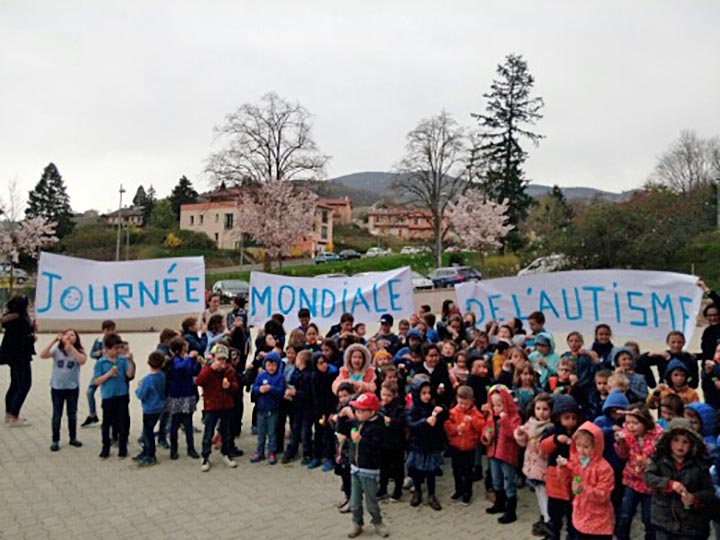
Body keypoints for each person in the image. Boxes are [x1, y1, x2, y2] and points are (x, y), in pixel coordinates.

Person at [644, 418, 713, 540]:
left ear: (692, 444)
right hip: (664, 520)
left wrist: (694, 499)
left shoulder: (699, 465)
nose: (680, 446)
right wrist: (669, 484)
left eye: (685, 442)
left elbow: (709, 492)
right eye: (676, 440)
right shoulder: (659, 460)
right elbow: (648, 477)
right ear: (668, 441)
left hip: (691, 525)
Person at [556, 422, 616, 540]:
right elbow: (566, 479)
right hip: (580, 514)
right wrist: (562, 467)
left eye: (586, 447)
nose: (581, 450)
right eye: (578, 445)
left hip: (599, 520)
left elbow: (604, 495)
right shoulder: (576, 461)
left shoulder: (604, 468)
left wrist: (584, 488)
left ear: (596, 446)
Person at [614, 404, 663, 540]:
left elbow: (662, 459)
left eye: (635, 423)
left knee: (648, 518)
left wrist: (648, 464)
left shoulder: (658, 436)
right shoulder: (627, 435)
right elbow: (623, 456)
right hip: (632, 480)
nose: (631, 426)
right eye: (628, 422)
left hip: (649, 484)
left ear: (645, 422)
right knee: (625, 514)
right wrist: (621, 443)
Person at [343, 392, 389, 539]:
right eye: (357, 410)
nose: (358, 413)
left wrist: (361, 439)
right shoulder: (358, 421)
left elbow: (377, 445)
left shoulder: (378, 426)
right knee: (355, 502)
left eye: (362, 411)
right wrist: (340, 416)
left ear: (372, 412)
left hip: (369, 470)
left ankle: (378, 522)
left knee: (371, 502)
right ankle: (357, 523)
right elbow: (343, 426)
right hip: (355, 468)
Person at [540, 394, 581, 540]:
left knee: (572, 510)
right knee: (555, 510)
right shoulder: (552, 431)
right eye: (567, 418)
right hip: (555, 477)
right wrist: (556, 440)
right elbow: (543, 448)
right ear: (558, 417)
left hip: (573, 476)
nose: (571, 422)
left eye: (574, 418)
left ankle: (572, 534)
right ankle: (553, 533)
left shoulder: (580, 432)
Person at [39, 330, 87, 451]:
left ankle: (73, 438)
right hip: (57, 388)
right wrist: (54, 341)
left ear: (76, 338)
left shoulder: (78, 351)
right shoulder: (57, 351)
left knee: (72, 414)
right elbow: (43, 355)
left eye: (72, 335)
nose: (69, 336)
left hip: (72, 388)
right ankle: (55, 440)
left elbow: (82, 361)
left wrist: (71, 348)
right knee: (57, 414)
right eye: (67, 334)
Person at [514, 393, 554, 537]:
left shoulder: (549, 427)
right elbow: (523, 442)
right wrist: (519, 433)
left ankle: (549, 522)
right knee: (538, 492)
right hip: (532, 465)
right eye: (538, 409)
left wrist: (538, 444)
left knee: (545, 495)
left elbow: (547, 449)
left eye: (545, 409)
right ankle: (544, 517)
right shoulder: (530, 423)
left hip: (542, 465)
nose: (541, 413)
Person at [405, 376, 448, 510]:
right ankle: (417, 492)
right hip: (417, 444)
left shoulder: (432, 405)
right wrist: (425, 422)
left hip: (431, 444)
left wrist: (442, 411)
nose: (427, 396)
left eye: (429, 393)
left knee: (431, 472)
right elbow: (411, 424)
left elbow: (444, 415)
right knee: (417, 471)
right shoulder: (413, 409)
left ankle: (431, 494)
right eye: (423, 393)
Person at [482, 384, 522, 524]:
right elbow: (486, 430)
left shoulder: (514, 417)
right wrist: (486, 436)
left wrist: (504, 420)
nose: (497, 409)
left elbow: (514, 434)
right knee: (496, 480)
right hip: (493, 454)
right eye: (494, 405)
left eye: (500, 405)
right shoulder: (491, 417)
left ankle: (511, 511)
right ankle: (499, 503)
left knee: (508, 482)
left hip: (507, 456)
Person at [195, 344, 239, 472]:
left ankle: (226, 453)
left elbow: (236, 387)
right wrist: (209, 369)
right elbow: (199, 381)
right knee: (208, 432)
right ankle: (205, 456)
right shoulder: (208, 370)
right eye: (219, 359)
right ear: (214, 358)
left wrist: (229, 386)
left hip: (225, 406)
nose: (222, 362)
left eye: (224, 360)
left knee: (226, 432)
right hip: (211, 405)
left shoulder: (229, 370)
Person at [93, 333, 135, 458]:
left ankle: (123, 447)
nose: (118, 351)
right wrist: (109, 374)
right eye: (115, 348)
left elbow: (129, 375)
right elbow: (97, 381)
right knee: (107, 423)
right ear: (107, 349)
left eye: (119, 348)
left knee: (123, 421)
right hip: (108, 396)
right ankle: (106, 446)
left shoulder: (122, 360)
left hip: (122, 395)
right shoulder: (101, 363)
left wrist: (131, 362)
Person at [444, 385, 486, 506]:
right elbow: (447, 425)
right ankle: (458, 490)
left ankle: (467, 493)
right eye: (461, 403)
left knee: (468, 472)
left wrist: (472, 420)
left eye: (466, 403)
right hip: (456, 446)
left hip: (470, 447)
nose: (463, 406)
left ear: (472, 401)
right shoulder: (453, 412)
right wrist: (455, 429)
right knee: (456, 470)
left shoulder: (476, 413)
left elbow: (481, 426)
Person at [1, 295, 36, 427]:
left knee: (15, 384)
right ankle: (14, 416)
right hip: (20, 357)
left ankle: (9, 414)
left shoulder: (10, 317)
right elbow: (22, 340)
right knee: (24, 385)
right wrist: (32, 337)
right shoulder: (20, 319)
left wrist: (31, 329)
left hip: (12, 356)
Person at [166, 336, 201, 461]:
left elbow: (194, 371)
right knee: (175, 424)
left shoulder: (185, 359)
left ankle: (190, 448)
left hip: (188, 394)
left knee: (188, 423)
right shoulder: (175, 360)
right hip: (177, 396)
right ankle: (173, 449)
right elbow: (179, 368)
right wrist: (190, 358)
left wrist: (196, 362)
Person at [250, 351, 285, 465]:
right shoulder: (261, 376)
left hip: (273, 410)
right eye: (269, 365)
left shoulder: (280, 377)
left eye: (274, 365)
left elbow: (281, 392)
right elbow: (254, 388)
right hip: (261, 410)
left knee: (272, 433)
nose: (271, 368)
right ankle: (259, 452)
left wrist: (271, 388)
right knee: (261, 432)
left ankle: (271, 452)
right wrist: (259, 390)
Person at [134, 351, 167, 466]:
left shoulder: (148, 379)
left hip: (149, 408)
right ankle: (145, 451)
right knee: (148, 430)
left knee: (148, 432)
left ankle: (150, 454)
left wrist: (138, 387)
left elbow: (141, 394)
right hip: (160, 407)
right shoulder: (162, 376)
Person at [282, 349, 314, 464]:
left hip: (307, 408)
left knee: (306, 432)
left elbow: (309, 394)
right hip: (296, 407)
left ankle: (308, 453)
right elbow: (292, 382)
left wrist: (295, 393)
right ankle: (292, 450)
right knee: (295, 430)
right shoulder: (297, 373)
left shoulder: (309, 375)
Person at [81, 319, 115, 427]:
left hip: (112, 370)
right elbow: (91, 354)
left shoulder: (117, 341)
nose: (110, 332)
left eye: (112, 330)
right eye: (107, 330)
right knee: (89, 392)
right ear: (103, 330)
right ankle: (93, 414)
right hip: (100, 370)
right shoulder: (99, 341)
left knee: (108, 396)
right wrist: (98, 353)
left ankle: (110, 418)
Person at [377, 381, 406, 501]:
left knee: (398, 467)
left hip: (396, 443)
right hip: (383, 443)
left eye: (388, 395)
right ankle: (383, 488)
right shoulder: (379, 407)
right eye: (383, 394)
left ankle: (398, 490)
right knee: (383, 467)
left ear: (394, 395)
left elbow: (401, 424)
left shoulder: (399, 408)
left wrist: (391, 422)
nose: (385, 398)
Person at [310, 351, 338, 471]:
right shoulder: (314, 377)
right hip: (318, 410)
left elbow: (333, 396)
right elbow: (315, 396)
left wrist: (331, 412)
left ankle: (329, 458)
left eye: (325, 362)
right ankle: (316, 456)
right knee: (318, 434)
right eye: (320, 363)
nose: (324, 365)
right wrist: (319, 412)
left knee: (329, 435)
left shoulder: (332, 376)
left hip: (330, 410)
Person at [331, 381, 355, 513]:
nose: (343, 399)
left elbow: (356, 425)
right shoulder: (340, 409)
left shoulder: (353, 410)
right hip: (341, 449)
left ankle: (352, 500)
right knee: (343, 476)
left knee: (349, 476)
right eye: (340, 396)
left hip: (350, 450)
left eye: (345, 395)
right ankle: (347, 496)